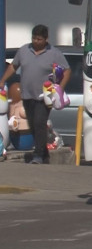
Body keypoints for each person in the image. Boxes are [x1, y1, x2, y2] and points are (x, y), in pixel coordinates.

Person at [0, 25, 71, 164]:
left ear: (46, 39)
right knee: (32, 124)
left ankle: (37, 155)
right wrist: (3, 80)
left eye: (39, 39)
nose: (36, 41)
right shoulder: (24, 50)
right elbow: (14, 66)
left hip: (45, 96)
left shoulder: (54, 53)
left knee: (39, 122)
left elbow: (67, 70)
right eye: (34, 38)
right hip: (27, 95)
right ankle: (44, 154)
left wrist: (59, 89)